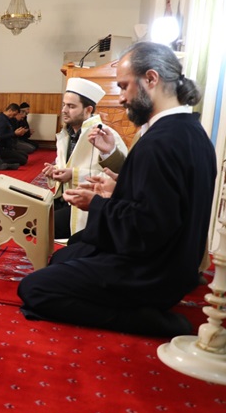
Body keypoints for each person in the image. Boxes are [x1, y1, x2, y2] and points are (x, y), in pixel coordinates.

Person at [18, 42, 217, 337]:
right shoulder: (188, 131)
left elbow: (149, 228)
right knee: (66, 255)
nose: (122, 98)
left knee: (35, 289)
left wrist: (97, 203)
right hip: (176, 263)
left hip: (153, 272)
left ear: (151, 79)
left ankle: (153, 322)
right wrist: (116, 189)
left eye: (124, 87)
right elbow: (162, 202)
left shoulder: (162, 142)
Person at [42, 78, 127, 239]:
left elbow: (118, 179)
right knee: (31, 213)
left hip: (86, 206)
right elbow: (65, 168)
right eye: (64, 105)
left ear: (88, 110)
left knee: (41, 223)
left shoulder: (105, 135)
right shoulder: (66, 134)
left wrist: (72, 175)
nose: (64, 110)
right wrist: (55, 172)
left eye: (71, 106)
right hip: (64, 198)